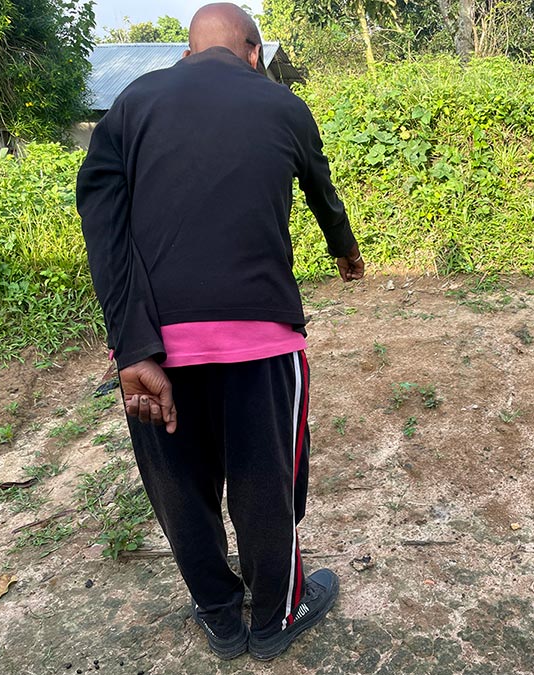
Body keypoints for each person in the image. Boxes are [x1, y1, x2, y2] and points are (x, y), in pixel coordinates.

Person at [76, 2, 364, 661]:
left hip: (153, 353)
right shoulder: (283, 105)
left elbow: (103, 222)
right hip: (261, 340)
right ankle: (273, 618)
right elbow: (323, 191)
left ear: (185, 52)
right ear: (255, 52)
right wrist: (345, 252)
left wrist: (133, 343)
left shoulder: (131, 104)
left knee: (180, 490)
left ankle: (220, 616)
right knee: (266, 485)